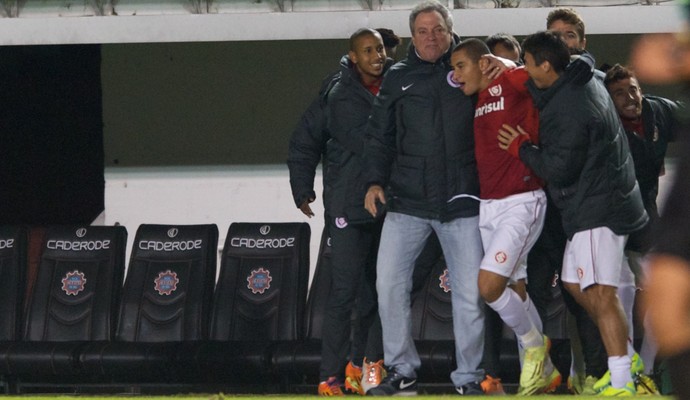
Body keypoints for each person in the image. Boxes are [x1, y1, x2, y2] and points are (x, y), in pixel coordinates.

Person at [498, 30, 648, 396]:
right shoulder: (581, 78)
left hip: (598, 210)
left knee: (599, 294)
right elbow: (551, 89)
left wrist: (521, 147)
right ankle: (625, 358)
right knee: (572, 283)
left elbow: (558, 168)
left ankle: (623, 381)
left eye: (529, 65)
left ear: (546, 65)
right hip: (594, 206)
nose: (527, 71)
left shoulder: (569, 107)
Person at [362, 1, 485, 396]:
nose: (430, 37)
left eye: (438, 30)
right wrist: (373, 181)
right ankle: (402, 371)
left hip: (463, 199)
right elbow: (379, 134)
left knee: (470, 296)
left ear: (451, 30)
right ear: (412, 36)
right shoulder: (398, 77)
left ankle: (469, 378)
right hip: (407, 202)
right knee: (389, 286)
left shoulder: (473, 66)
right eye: (422, 31)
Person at [450, 38, 561, 395]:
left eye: (460, 66)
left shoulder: (510, 80)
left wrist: (504, 63)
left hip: (522, 200)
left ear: (482, 63)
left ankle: (535, 348)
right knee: (515, 287)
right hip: (490, 205)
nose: (455, 75)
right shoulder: (479, 97)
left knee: (488, 287)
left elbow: (541, 77)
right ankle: (548, 373)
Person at [316, 27, 392, 397]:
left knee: (378, 294)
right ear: (353, 56)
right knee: (343, 293)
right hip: (349, 208)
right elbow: (368, 142)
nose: (377, 55)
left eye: (379, 48)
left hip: (385, 206)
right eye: (368, 50)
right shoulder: (341, 94)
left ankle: (360, 369)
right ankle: (328, 377)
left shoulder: (394, 82)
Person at [604, 63, 680, 379]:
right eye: (619, 93)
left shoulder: (658, 111)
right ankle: (622, 369)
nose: (629, 98)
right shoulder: (603, 125)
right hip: (607, 219)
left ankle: (645, 371)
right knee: (618, 294)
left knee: (659, 296)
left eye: (633, 89)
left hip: (646, 215)